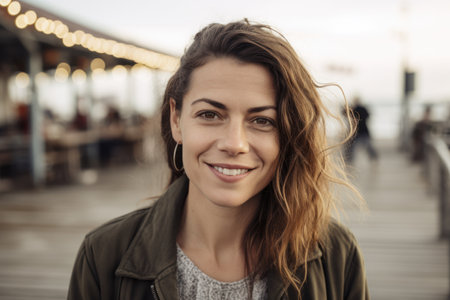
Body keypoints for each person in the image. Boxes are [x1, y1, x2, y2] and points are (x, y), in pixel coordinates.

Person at [68, 20, 369, 299]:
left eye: (262, 120)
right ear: (176, 119)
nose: (234, 144)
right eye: (209, 115)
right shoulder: (103, 255)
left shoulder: (336, 255)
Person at [344, 97, 378, 163]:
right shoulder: (357, 108)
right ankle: (349, 160)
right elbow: (368, 116)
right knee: (352, 147)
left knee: (367, 147)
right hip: (359, 131)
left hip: (360, 131)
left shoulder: (356, 109)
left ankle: (373, 157)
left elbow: (345, 114)